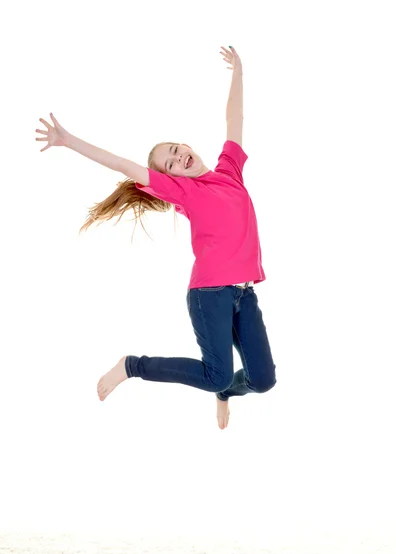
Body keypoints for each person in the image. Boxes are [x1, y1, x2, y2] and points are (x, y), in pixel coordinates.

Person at [35, 46, 276, 430]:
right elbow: (123, 164)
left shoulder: (230, 170)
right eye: (171, 162)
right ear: (171, 179)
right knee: (215, 372)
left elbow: (234, 116)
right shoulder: (185, 193)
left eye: (178, 150)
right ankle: (133, 367)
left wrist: (239, 71)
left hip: (243, 293)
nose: (180, 157)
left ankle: (226, 393)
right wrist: (69, 141)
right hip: (209, 295)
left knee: (263, 380)